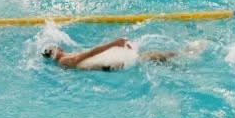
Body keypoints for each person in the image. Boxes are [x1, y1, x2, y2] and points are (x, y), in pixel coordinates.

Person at [42, 37, 182, 71]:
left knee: (148, 58)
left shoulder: (63, 61)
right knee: (148, 56)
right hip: (110, 65)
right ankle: (181, 54)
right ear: (56, 51)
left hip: (107, 66)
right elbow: (89, 53)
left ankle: (175, 64)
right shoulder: (64, 60)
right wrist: (113, 43)